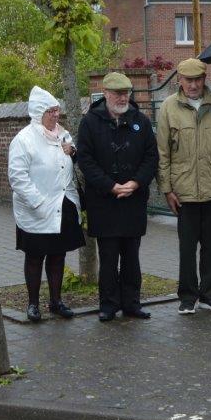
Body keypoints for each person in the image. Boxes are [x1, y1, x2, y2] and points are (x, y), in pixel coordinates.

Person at [156, 58, 211, 314]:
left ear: (205, 79)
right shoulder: (169, 108)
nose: (193, 85)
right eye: (188, 80)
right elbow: (163, 153)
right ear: (179, 80)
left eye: (198, 80)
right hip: (184, 191)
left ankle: (210, 295)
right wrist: (167, 189)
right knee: (187, 247)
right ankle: (187, 297)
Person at [76, 72, 159, 322]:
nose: (123, 98)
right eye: (118, 93)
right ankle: (109, 304)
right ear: (107, 94)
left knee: (131, 256)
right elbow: (85, 161)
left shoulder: (141, 121)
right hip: (104, 202)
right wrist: (111, 186)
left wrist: (135, 182)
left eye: (127, 93)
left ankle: (132, 302)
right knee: (109, 256)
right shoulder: (90, 122)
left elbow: (151, 157)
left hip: (133, 200)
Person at [7, 86, 83, 322]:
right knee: (34, 257)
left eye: (57, 110)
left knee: (58, 255)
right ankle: (32, 304)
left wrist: (73, 152)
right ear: (39, 113)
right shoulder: (24, 140)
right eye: (51, 111)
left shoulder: (63, 135)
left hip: (63, 206)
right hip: (36, 210)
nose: (56, 115)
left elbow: (69, 164)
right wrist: (38, 203)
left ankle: (56, 301)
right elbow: (17, 177)